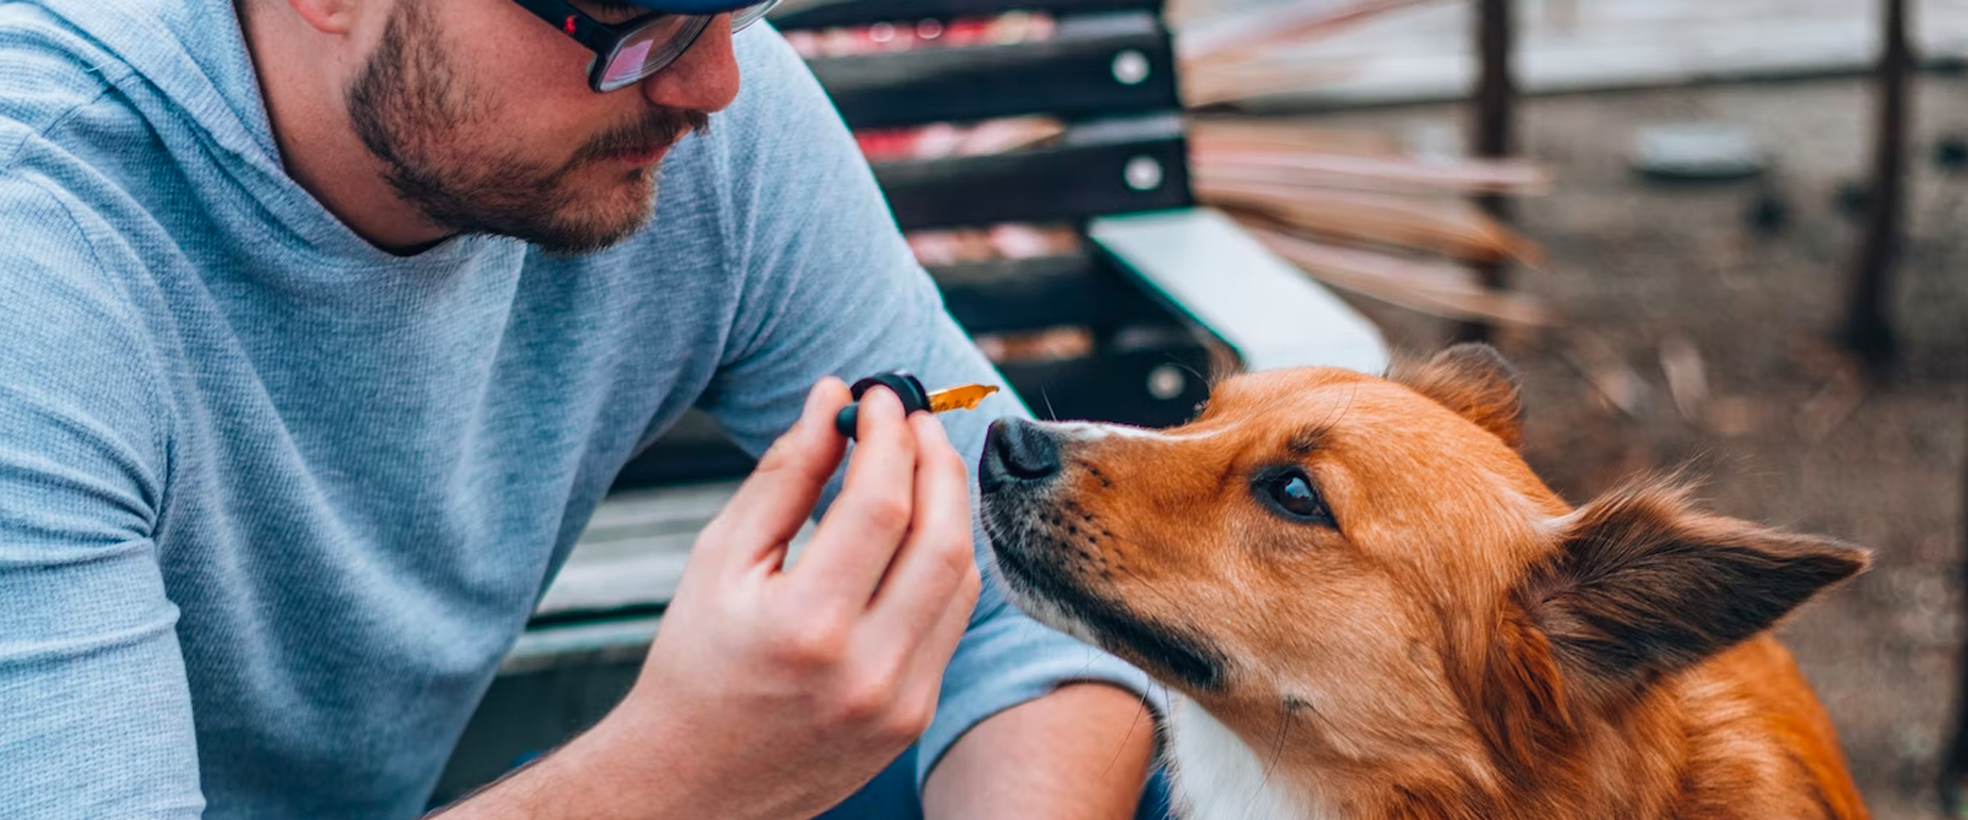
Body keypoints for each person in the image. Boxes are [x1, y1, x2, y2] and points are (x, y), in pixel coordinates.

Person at [0, 0, 1164, 816]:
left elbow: (1027, 613)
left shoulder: (703, 132)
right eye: (624, 8)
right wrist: (684, 775)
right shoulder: (42, 255)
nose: (712, 85)